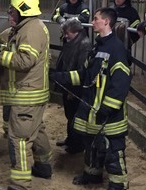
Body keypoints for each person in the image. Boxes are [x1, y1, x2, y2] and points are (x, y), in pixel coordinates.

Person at [50, 7, 131, 190]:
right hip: (93, 113)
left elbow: (120, 84)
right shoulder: (98, 46)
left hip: (109, 117)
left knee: (113, 152)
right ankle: (92, 175)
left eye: (96, 19)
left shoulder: (117, 50)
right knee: (92, 146)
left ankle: (118, 185)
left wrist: (107, 108)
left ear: (106, 22)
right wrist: (62, 77)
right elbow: (85, 74)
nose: (92, 22)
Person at [0, 0, 52, 189]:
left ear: (23, 11)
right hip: (34, 94)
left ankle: (20, 184)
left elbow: (25, 60)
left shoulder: (30, 30)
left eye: (12, 11)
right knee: (36, 130)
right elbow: (6, 39)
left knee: (20, 140)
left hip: (26, 95)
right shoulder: (27, 27)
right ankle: (43, 166)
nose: (9, 14)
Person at [54, 18, 91, 154]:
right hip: (67, 84)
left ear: (75, 31)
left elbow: (82, 72)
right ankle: (70, 140)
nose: (65, 35)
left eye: (67, 32)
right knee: (69, 115)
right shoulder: (70, 42)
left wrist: (72, 88)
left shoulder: (84, 45)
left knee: (76, 116)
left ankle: (77, 145)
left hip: (75, 89)